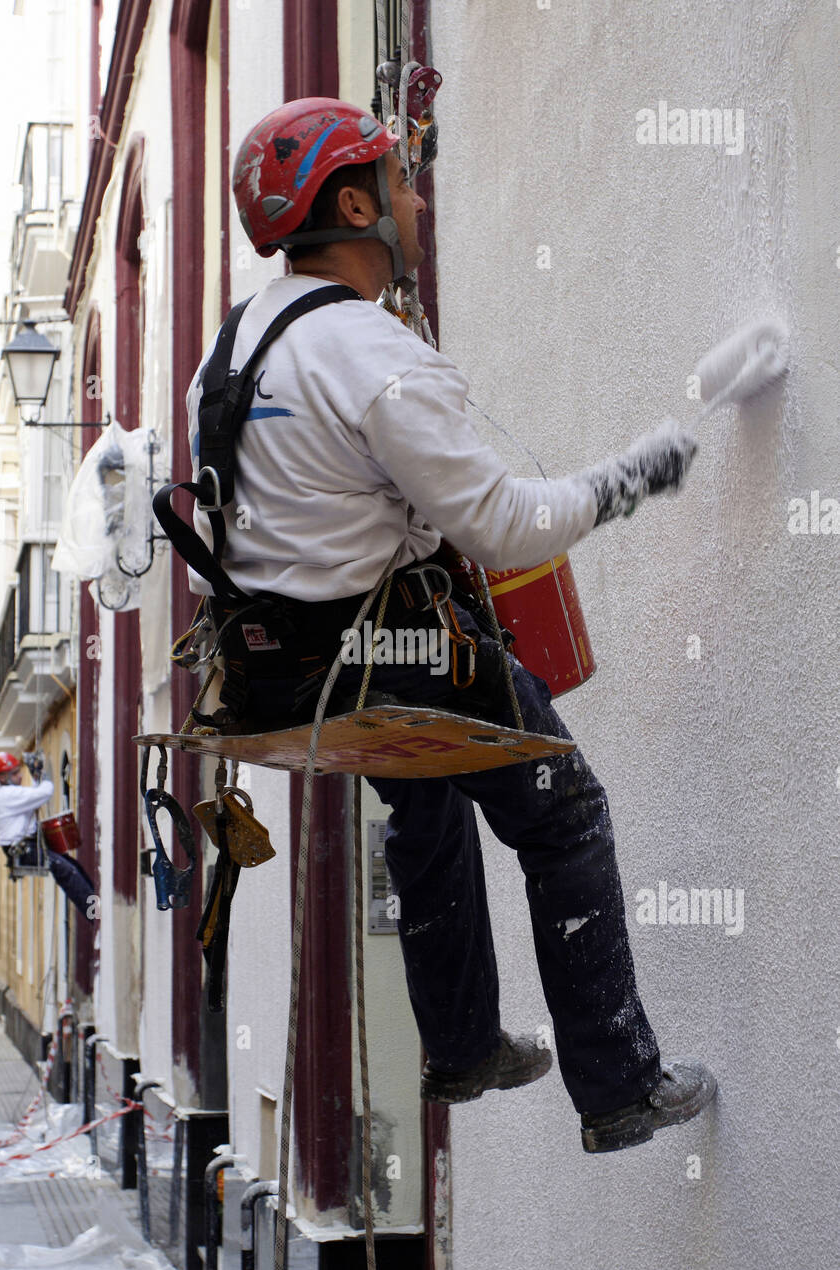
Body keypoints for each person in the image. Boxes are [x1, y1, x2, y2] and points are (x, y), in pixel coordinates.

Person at [184, 97, 717, 1153]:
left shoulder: (236, 347)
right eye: (399, 181)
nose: (418, 200)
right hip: (402, 660)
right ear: (354, 204)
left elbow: (310, 503)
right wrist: (626, 479)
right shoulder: (372, 353)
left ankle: (463, 1044)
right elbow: (507, 527)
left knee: (425, 811)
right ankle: (617, 1085)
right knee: (563, 819)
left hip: (278, 673)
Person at [0, 752, 95, 922]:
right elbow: (43, 793)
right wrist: (43, 776)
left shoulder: (11, 794)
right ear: (2, 777)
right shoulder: (8, 795)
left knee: (73, 866)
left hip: (25, 847)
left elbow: (34, 794)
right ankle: (95, 916)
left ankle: (96, 907)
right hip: (23, 849)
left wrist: (37, 777)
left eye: (19, 771)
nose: (20, 775)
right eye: (15, 773)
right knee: (67, 871)